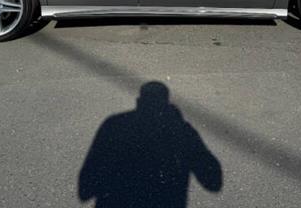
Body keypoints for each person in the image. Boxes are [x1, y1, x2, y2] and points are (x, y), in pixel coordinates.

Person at [78, 81, 222, 208]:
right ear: (166, 104)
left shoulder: (113, 125)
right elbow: (214, 182)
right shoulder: (183, 132)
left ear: (139, 102)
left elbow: (85, 189)